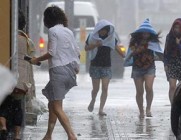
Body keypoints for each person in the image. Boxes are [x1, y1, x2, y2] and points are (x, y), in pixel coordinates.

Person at [30, 6, 79, 140]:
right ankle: (48, 135)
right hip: (69, 71)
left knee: (57, 107)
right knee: (53, 103)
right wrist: (76, 67)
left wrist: (36, 59)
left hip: (58, 71)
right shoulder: (68, 31)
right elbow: (77, 51)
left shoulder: (52, 31)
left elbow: (52, 52)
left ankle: (71, 135)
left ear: (48, 19)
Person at [0, 10, 34, 140]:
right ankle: (18, 134)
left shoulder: (6, 37)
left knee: (4, 104)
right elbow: (32, 58)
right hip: (21, 79)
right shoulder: (27, 41)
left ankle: (3, 126)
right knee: (17, 107)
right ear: (23, 24)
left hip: (6, 77)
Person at [85, 19, 125, 116]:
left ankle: (101, 109)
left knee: (105, 87)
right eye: (101, 30)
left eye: (105, 30)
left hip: (106, 66)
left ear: (108, 31)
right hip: (95, 65)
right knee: (96, 89)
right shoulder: (92, 37)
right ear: (98, 30)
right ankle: (93, 100)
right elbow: (86, 48)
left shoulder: (111, 38)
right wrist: (95, 45)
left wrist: (125, 55)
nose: (103, 32)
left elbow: (119, 51)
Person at [126, 18, 162, 118]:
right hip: (137, 68)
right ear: (140, 33)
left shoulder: (153, 42)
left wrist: (165, 62)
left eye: (147, 33)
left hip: (150, 67)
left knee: (149, 88)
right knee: (139, 91)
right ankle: (141, 111)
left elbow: (159, 52)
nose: (145, 35)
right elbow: (132, 52)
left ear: (150, 33)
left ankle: (148, 108)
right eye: (144, 33)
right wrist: (141, 47)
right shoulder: (134, 42)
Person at [164, 18, 181, 104]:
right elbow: (166, 52)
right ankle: (173, 106)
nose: (176, 29)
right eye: (175, 27)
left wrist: (178, 44)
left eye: (179, 27)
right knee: (172, 86)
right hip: (172, 63)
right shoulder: (169, 37)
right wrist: (165, 64)